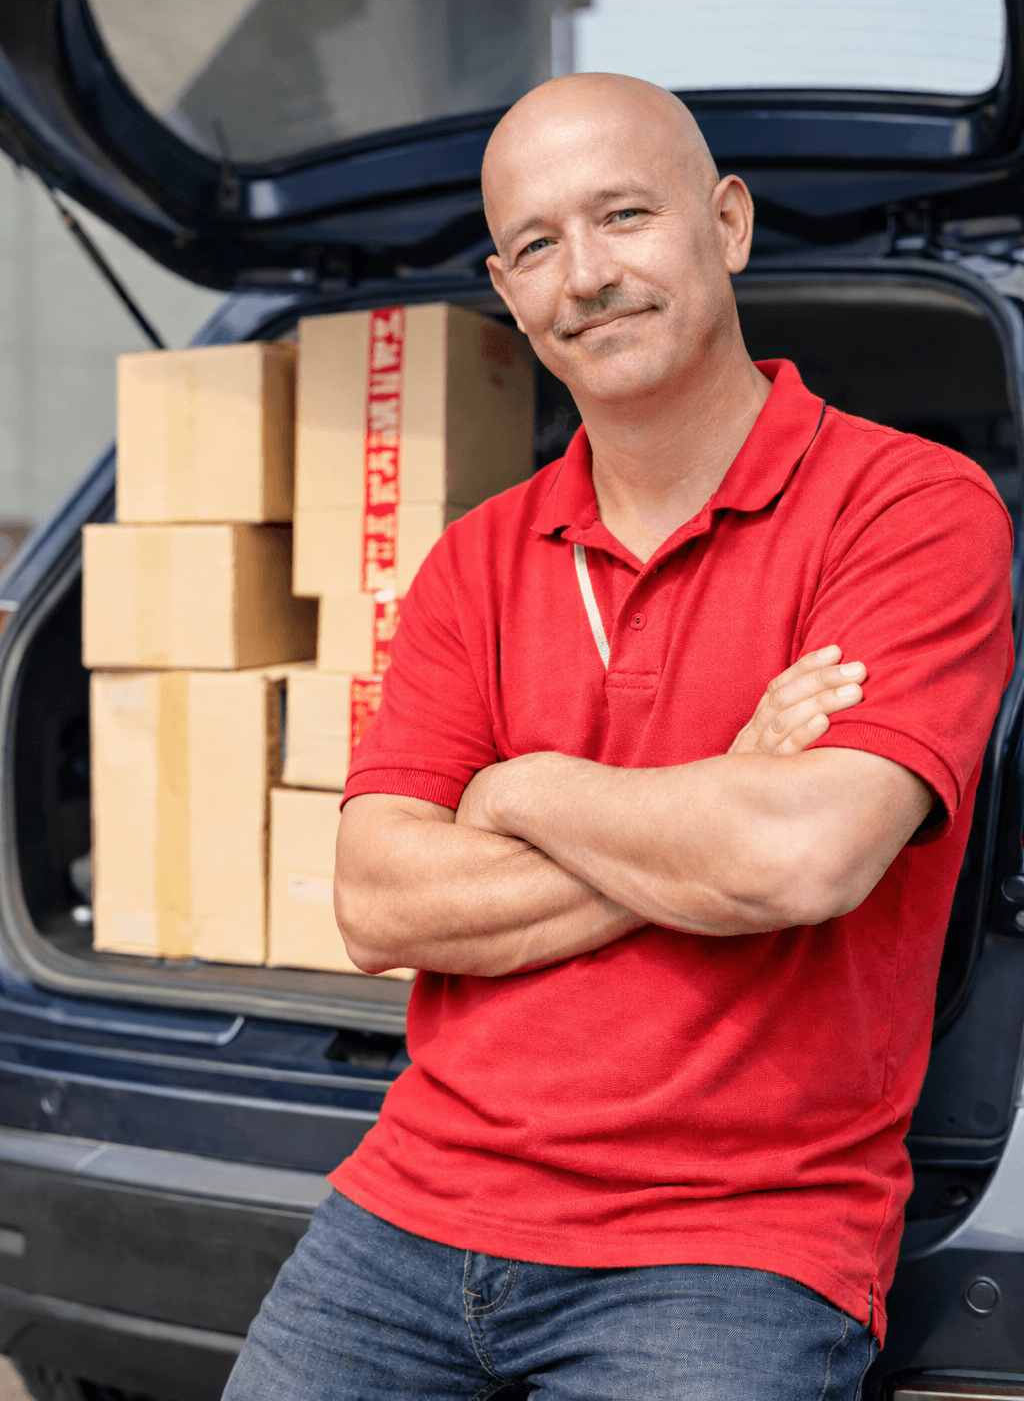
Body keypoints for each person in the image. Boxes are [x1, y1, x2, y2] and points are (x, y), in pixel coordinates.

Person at [224, 74, 1013, 1399]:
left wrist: (518, 787)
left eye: (624, 217)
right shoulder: (474, 561)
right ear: (508, 289)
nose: (585, 275)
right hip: (413, 1208)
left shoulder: (910, 509)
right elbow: (376, 901)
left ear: (728, 224)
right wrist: (713, 801)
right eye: (537, 245)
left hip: (731, 1244)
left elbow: (797, 864)